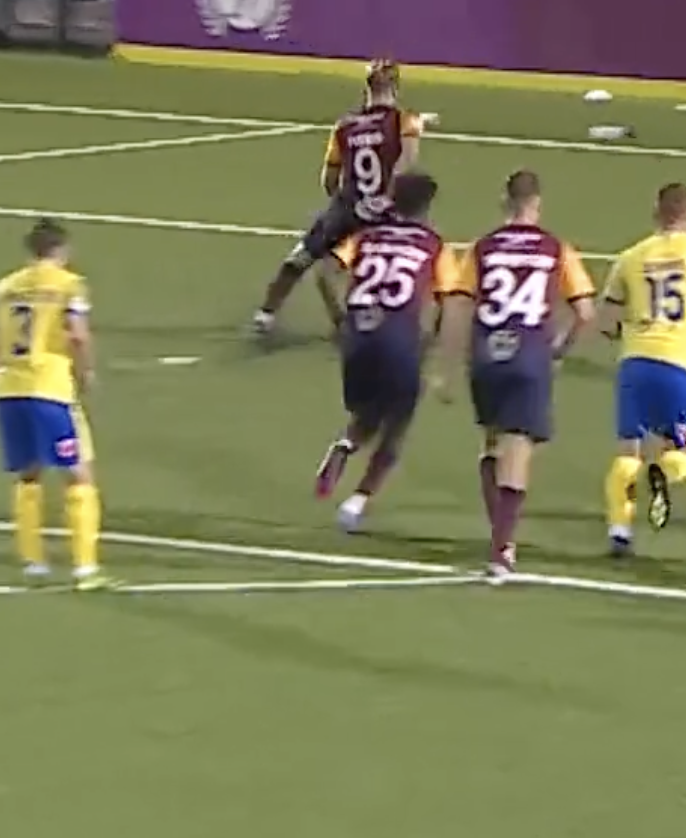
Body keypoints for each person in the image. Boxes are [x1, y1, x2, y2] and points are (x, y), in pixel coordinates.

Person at [440, 171, 596, 582]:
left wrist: (447, 368)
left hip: (486, 355)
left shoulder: (482, 247)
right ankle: (501, 549)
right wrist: (561, 347)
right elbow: (585, 312)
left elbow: (456, 305)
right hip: (529, 354)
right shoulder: (555, 248)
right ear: (537, 204)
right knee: (519, 448)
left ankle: (500, 537)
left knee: (492, 443)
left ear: (503, 201)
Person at [599, 183, 686, 556]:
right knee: (682, 448)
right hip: (682, 364)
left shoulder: (630, 257)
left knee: (627, 450)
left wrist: (619, 330)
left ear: (655, 211)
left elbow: (606, 319)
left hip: (635, 362)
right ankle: (662, 474)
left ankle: (619, 529)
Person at [312, 173, 453, 534]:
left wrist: (340, 321)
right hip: (397, 334)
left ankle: (345, 445)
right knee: (397, 425)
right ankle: (356, 502)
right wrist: (432, 345)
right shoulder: (434, 243)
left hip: (359, 333)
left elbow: (325, 273)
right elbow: (447, 300)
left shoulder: (367, 236)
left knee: (369, 411)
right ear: (427, 206)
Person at [0, 219, 112, 591]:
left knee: (27, 474)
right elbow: (78, 334)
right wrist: (86, 372)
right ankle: (86, 569)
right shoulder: (70, 285)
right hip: (49, 386)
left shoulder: (3, 288)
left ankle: (33, 566)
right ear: (62, 250)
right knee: (78, 474)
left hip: (8, 388)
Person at [251, 60, 423, 339]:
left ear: (367, 86)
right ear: (395, 86)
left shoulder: (344, 126)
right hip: (386, 210)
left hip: (348, 207)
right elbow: (407, 163)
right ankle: (387, 322)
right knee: (401, 262)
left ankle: (266, 314)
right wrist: (386, 199)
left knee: (302, 258)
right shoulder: (405, 120)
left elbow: (329, 179)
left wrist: (344, 205)